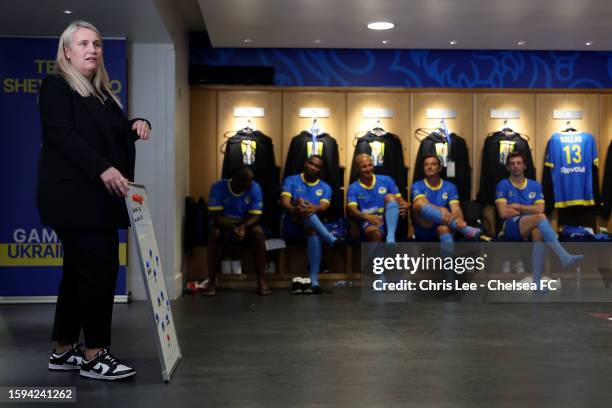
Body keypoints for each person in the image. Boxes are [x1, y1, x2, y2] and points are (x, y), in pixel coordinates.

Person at [38, 21, 151, 380]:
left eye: (97, 44)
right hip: (74, 198)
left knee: (76, 275)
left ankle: (62, 350)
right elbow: (62, 136)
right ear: (67, 52)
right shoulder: (56, 86)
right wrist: (104, 169)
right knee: (98, 274)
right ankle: (95, 354)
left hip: (97, 201)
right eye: (83, 43)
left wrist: (136, 123)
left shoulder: (101, 94)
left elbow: (112, 134)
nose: (92, 49)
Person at [495, 151, 583, 286]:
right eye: (512, 164)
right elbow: (503, 212)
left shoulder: (535, 186)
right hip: (509, 227)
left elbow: (540, 208)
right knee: (540, 218)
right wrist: (530, 210)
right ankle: (564, 256)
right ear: (508, 167)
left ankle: (536, 281)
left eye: (519, 163)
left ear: (524, 166)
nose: (516, 166)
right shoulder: (503, 184)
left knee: (537, 232)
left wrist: (517, 206)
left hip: (529, 225)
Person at [203, 166, 271, 296]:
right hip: (224, 225)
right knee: (214, 233)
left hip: (246, 225)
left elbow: (256, 216)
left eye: (251, 180)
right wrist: (233, 227)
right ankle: (211, 282)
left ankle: (261, 280)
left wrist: (244, 227)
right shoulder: (218, 187)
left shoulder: (255, 188)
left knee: (259, 232)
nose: (251, 183)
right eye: (247, 180)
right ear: (236, 180)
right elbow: (216, 217)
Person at [280, 155, 339, 295]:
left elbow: (324, 207)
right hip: (291, 223)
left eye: (317, 166)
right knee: (300, 202)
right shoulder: (291, 180)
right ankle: (330, 239)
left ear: (320, 170)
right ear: (306, 163)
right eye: (311, 163)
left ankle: (314, 282)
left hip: (311, 226)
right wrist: (297, 208)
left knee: (312, 229)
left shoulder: (325, 187)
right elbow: (285, 203)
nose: (313, 167)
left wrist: (313, 208)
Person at [411, 155, 482, 242]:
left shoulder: (450, 186)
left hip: (444, 224)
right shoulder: (417, 185)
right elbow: (421, 204)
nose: (429, 167)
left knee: (443, 228)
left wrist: (459, 219)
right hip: (426, 224)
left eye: (433, 164)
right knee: (417, 205)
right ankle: (466, 230)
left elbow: (455, 207)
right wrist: (441, 209)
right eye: (426, 165)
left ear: (439, 168)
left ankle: (447, 255)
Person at [347, 154, 409, 242]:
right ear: (357, 169)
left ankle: (390, 238)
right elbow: (352, 210)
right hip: (368, 222)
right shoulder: (353, 188)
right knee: (375, 235)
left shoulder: (386, 180)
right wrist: (368, 217)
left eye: (370, 165)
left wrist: (406, 205)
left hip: (388, 220)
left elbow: (401, 201)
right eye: (364, 167)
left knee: (390, 196)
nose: (368, 169)